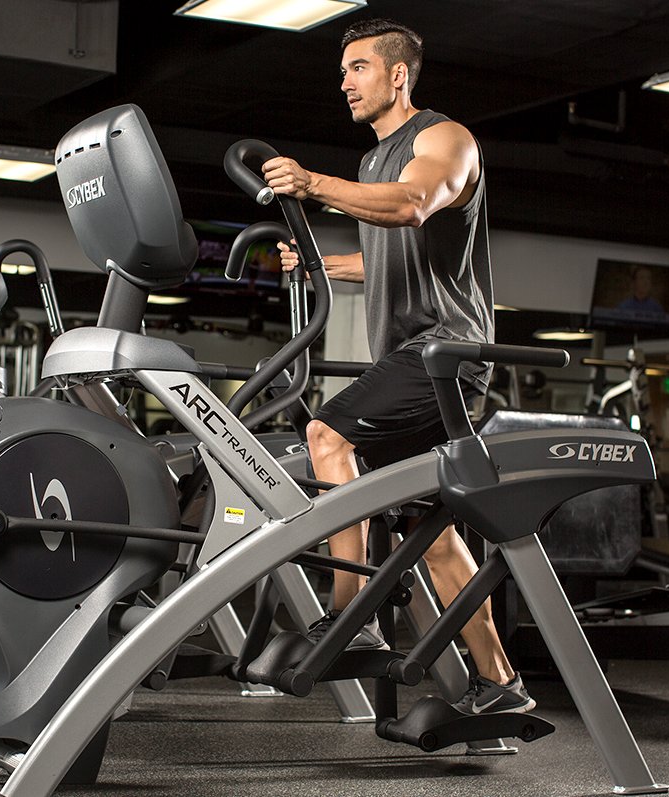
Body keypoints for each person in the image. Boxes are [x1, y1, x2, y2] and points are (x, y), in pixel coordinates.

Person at [264, 18, 533, 715]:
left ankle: (349, 611)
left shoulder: (445, 140)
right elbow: (390, 253)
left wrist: (311, 182)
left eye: (357, 67)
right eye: (343, 70)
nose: (344, 81)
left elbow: (414, 207)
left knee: (328, 435)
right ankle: (502, 681)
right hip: (413, 357)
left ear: (398, 74)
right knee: (432, 531)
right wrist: (325, 265)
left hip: (444, 354)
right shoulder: (373, 160)